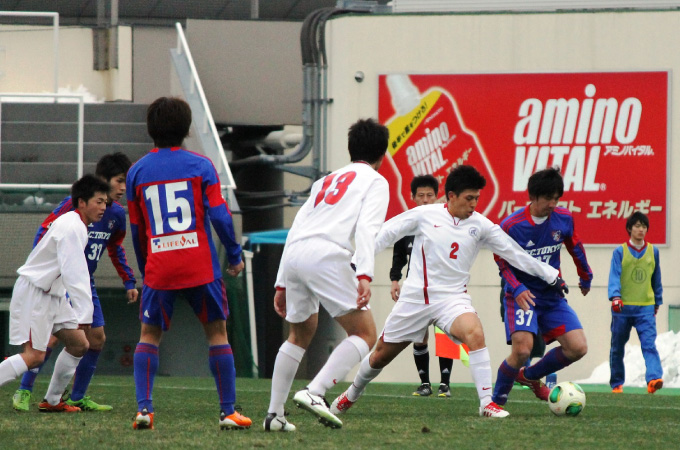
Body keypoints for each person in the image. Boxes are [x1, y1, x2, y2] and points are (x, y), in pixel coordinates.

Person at [331, 165, 563, 419]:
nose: (474, 204)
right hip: (415, 299)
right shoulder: (424, 215)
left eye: (477, 198)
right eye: (468, 198)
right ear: (451, 196)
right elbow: (387, 233)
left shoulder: (481, 226)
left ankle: (487, 403)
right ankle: (351, 394)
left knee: (475, 332)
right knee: (378, 358)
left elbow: (514, 252)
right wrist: (358, 263)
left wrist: (550, 275)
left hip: (452, 299)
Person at [126, 97, 250, 430]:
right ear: (187, 129)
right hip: (200, 265)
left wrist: (145, 269)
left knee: (149, 336)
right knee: (217, 334)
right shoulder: (201, 165)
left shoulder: (137, 172)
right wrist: (234, 254)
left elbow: (137, 230)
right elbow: (221, 215)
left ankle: (144, 409)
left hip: (159, 268)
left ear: (150, 129)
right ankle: (227, 412)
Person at [263, 118, 389, 432]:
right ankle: (315, 392)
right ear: (382, 156)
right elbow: (366, 229)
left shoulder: (326, 179)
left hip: (295, 254)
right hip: (325, 253)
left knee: (300, 333)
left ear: (351, 150)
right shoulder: (375, 181)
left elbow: (297, 226)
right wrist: (364, 274)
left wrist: (281, 281)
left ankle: (274, 415)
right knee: (365, 334)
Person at [12, 153, 138, 412]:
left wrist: (128, 280)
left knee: (96, 339)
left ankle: (74, 397)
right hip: (62, 283)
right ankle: (24, 391)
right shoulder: (74, 209)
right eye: (119, 181)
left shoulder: (116, 216)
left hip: (84, 282)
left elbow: (115, 248)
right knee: (51, 341)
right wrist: (44, 273)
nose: (124, 188)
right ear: (102, 181)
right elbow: (45, 232)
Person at [0, 175, 109, 412]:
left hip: (54, 295)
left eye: (105, 202)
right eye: (99, 201)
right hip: (36, 293)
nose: (104, 207)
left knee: (80, 344)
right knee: (35, 356)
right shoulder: (72, 227)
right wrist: (84, 312)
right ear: (82, 202)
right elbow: (74, 272)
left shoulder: (76, 224)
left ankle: (52, 401)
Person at [491, 167, 592, 411]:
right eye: (548, 198)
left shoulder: (563, 218)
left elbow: (575, 246)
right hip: (523, 296)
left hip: (551, 297)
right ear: (533, 197)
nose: (553, 204)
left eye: (557, 198)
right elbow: (501, 261)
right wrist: (516, 289)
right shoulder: (511, 225)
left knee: (578, 347)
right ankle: (495, 402)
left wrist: (585, 274)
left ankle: (529, 376)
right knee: (522, 350)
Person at [389, 175, 454, 398]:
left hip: (444, 288)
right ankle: (425, 383)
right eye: (421, 196)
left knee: (445, 332)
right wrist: (395, 279)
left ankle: (445, 384)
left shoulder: (447, 221)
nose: (425, 200)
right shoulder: (407, 223)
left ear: (437, 197)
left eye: (429, 195)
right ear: (413, 198)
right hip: (416, 289)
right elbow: (399, 254)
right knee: (419, 335)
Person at [608, 212, 663, 394]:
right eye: (637, 226)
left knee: (649, 344)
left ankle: (653, 379)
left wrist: (657, 301)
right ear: (630, 228)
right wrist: (615, 296)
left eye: (644, 226)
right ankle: (617, 383)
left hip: (645, 308)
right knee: (617, 347)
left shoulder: (653, 251)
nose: (641, 229)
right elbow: (614, 276)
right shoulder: (620, 251)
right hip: (622, 308)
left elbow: (656, 278)